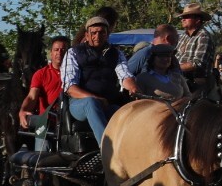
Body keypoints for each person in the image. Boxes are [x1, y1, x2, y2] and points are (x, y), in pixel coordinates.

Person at [62, 15, 137, 146]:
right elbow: (70, 87)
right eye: (94, 33)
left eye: (102, 32)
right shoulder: (73, 53)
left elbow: (125, 75)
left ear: (107, 34)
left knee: (128, 112)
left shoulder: (116, 53)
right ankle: (106, 148)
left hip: (107, 103)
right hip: (80, 104)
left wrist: (133, 87)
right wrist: (96, 98)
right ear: (87, 35)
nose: (98, 36)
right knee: (91, 103)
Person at [18, 37, 68, 150]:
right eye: (56, 50)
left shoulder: (74, 73)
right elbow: (32, 96)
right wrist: (23, 111)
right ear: (51, 53)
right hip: (45, 122)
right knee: (41, 154)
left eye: (63, 50)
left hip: (67, 121)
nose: (59, 53)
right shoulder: (40, 74)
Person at [127, 25, 188, 99]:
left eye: (167, 56)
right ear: (168, 38)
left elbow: (182, 84)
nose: (177, 41)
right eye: (176, 38)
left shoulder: (173, 58)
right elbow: (126, 77)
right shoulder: (145, 53)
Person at [174, 4, 215, 90]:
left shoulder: (204, 36)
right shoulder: (183, 36)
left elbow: (197, 63)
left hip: (196, 81)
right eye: (182, 17)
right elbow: (174, 55)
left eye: (186, 17)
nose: (183, 19)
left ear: (197, 20)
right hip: (179, 77)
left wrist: (173, 68)